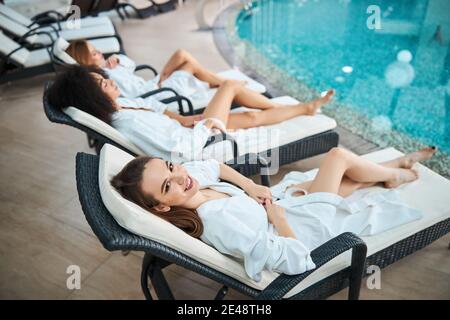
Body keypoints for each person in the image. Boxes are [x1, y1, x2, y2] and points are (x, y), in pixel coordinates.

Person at [111, 146, 436, 280]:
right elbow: (295, 260)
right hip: (303, 228)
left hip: (282, 205)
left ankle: (393, 167)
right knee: (337, 157)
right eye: (168, 186)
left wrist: (251, 188)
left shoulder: (192, 185)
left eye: (171, 166)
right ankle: (395, 174)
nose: (180, 176)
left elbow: (216, 166)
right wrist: (279, 220)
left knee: (343, 178)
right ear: (163, 206)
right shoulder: (218, 222)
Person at [47, 65, 334, 160]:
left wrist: (186, 119)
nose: (109, 80)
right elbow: (181, 151)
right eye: (101, 84)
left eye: (103, 77)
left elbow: (159, 110)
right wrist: (203, 126)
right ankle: (286, 106)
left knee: (250, 118)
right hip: (201, 143)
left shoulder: (124, 105)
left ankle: (305, 108)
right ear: (91, 98)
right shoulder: (126, 123)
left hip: (191, 129)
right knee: (231, 85)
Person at [66, 40, 259, 108]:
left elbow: (131, 66)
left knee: (185, 60)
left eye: (97, 50)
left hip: (154, 85)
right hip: (156, 93)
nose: (100, 53)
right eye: (94, 53)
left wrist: (119, 59)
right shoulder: (106, 78)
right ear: (86, 61)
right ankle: (225, 83)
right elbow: (133, 95)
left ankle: (221, 82)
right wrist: (158, 84)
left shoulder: (108, 69)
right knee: (185, 58)